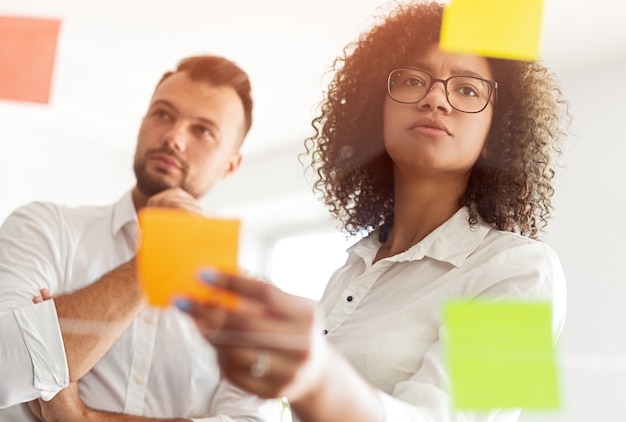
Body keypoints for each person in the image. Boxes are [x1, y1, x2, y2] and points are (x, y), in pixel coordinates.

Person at [177, 2, 570, 421]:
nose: (436, 97)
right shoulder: (352, 271)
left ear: (496, 134)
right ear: (375, 115)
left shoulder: (527, 271)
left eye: (468, 90)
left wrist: (315, 376)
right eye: (413, 80)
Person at [0, 55, 279, 421]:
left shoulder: (252, 300)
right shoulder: (44, 228)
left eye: (203, 130)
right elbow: (5, 365)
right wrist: (152, 264)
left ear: (231, 164)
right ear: (143, 121)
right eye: (163, 114)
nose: (173, 137)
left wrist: (81, 417)